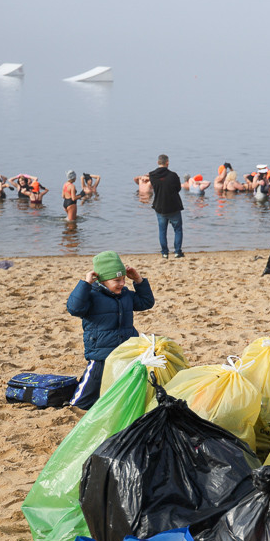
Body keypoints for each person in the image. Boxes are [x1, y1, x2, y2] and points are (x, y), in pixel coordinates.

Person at [66, 251, 155, 410]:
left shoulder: (126, 295)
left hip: (125, 348)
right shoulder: (91, 295)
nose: (121, 283)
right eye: (116, 280)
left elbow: (146, 302)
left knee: (123, 380)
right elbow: (74, 308)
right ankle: (76, 404)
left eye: (123, 279)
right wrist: (85, 284)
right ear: (102, 280)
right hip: (101, 351)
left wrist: (139, 280)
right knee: (92, 384)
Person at [143, 154, 184, 258]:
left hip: (160, 206)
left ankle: (165, 252)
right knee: (178, 229)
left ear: (158, 162)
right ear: (167, 163)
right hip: (174, 206)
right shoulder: (173, 175)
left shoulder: (152, 175)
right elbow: (178, 189)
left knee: (162, 230)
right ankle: (177, 251)